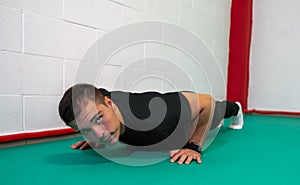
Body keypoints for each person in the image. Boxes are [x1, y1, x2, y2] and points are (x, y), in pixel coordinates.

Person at [58, 84, 244, 165]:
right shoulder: (101, 102)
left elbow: (207, 102)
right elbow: (97, 93)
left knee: (219, 110)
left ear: (109, 103)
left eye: (99, 119)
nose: (99, 133)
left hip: (186, 117)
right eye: (85, 130)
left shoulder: (152, 119)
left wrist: (194, 145)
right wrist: (94, 137)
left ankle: (236, 108)